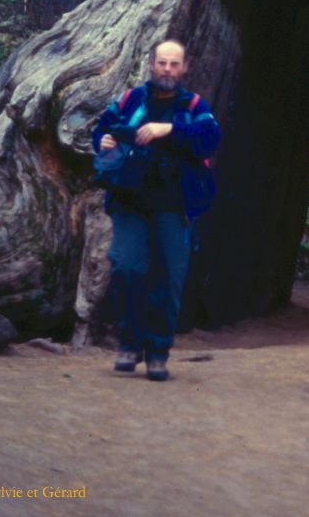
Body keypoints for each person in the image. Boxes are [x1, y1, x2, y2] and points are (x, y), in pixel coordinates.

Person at [91, 39, 220, 381]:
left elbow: (210, 138)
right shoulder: (131, 99)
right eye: (162, 63)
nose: (167, 69)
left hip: (174, 205)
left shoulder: (193, 105)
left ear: (184, 67)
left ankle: (158, 352)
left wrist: (171, 130)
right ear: (152, 64)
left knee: (168, 277)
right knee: (127, 268)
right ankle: (129, 346)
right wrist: (101, 140)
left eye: (174, 64)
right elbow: (104, 127)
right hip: (130, 201)